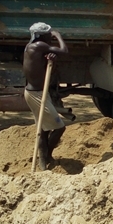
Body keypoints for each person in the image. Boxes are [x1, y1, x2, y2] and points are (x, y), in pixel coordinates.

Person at [23, 22, 69, 170]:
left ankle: (43, 164)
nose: (51, 36)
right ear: (42, 36)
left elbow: (44, 69)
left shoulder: (34, 47)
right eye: (49, 34)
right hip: (36, 95)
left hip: (38, 92)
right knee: (59, 128)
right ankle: (47, 155)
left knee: (43, 130)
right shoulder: (39, 46)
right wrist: (59, 36)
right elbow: (64, 51)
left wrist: (51, 61)